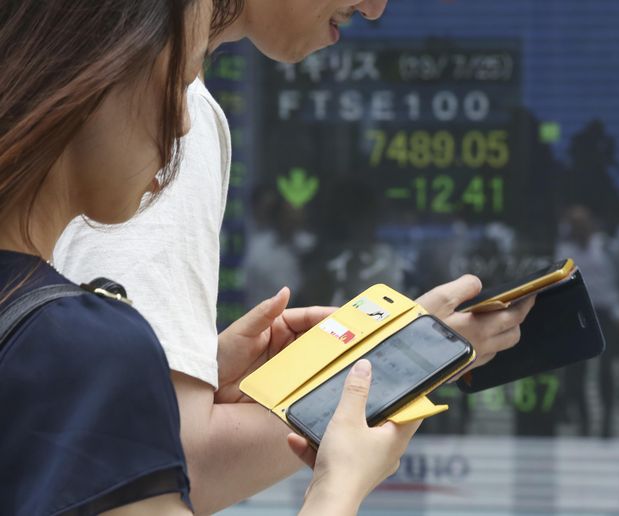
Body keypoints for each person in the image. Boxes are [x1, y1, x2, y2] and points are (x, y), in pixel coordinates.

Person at [53, 0, 536, 512]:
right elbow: (170, 471)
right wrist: (406, 368)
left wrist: (398, 351)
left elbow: (118, 432)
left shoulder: (128, 81)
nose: (374, 9)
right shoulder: (168, 112)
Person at [1, 1, 424, 514]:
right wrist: (338, 485)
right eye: (180, 84)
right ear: (99, 69)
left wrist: (156, 385)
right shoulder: (93, 348)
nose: (184, 123)